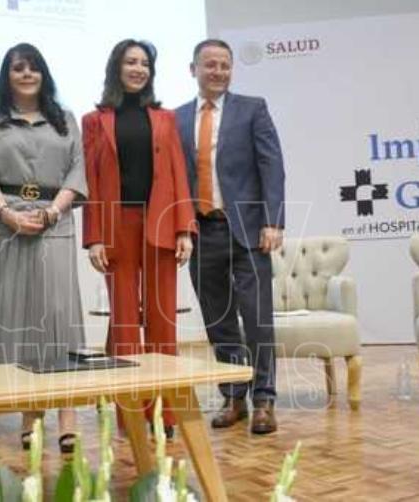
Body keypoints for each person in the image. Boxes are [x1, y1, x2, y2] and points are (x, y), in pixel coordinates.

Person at [0, 43, 86, 454]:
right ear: (7, 76)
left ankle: (67, 416)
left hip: (55, 223)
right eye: (19, 68)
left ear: (44, 75)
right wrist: (7, 214)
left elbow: (77, 171)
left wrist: (52, 212)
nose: (27, 74)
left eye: (34, 67)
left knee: (60, 319)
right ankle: (30, 414)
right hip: (5, 226)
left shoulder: (66, 120)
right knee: (19, 323)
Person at [82, 39, 195, 433]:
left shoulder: (165, 118)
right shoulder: (94, 120)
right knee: (125, 323)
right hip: (117, 227)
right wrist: (94, 237)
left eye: (144, 63)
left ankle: (165, 414)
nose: (138, 69)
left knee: (163, 321)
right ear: (117, 67)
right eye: (131, 62)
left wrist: (184, 228)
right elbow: (92, 182)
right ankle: (131, 413)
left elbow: (178, 174)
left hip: (161, 222)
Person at [174, 39, 285, 435]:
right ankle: (234, 396)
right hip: (202, 232)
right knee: (218, 320)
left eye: (225, 65)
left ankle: (264, 399)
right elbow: (174, 178)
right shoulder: (176, 119)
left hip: (249, 231)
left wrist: (273, 221)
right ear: (193, 70)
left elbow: (272, 166)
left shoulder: (253, 109)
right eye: (210, 64)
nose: (218, 71)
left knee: (256, 319)